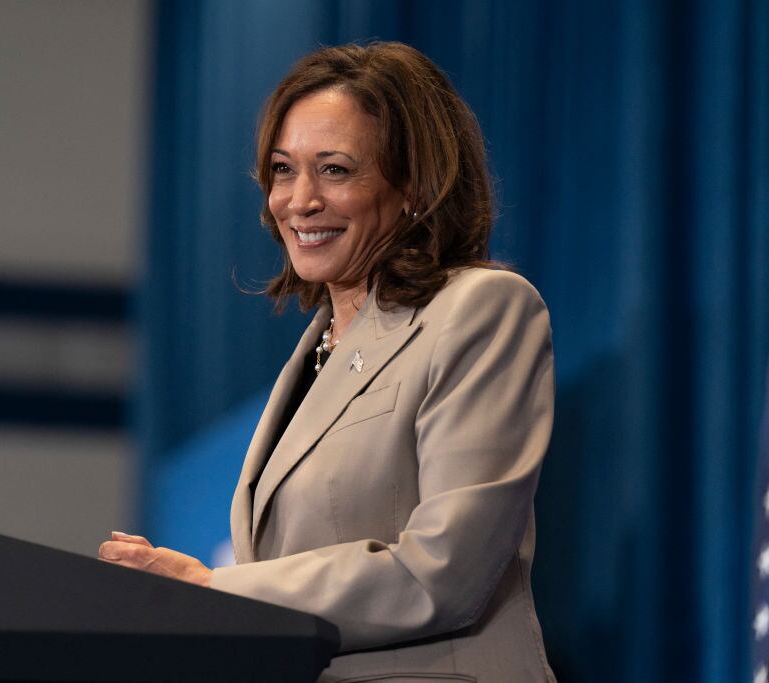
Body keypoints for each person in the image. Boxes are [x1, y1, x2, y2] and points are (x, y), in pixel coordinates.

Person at [100, 42, 556, 682]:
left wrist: (216, 589)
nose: (299, 200)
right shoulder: (317, 346)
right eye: (284, 170)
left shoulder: (481, 310)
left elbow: (445, 570)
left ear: (414, 186)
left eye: (336, 170)